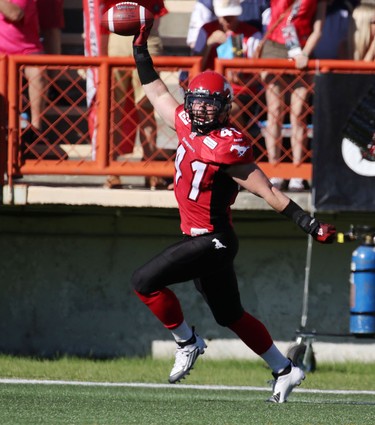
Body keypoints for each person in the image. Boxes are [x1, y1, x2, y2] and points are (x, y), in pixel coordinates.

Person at [130, 19, 337, 402]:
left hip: (215, 240)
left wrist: (309, 224)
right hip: (200, 239)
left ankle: (187, 341)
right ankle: (285, 368)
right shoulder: (185, 125)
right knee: (231, 315)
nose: (203, 108)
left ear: (224, 107)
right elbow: (156, 91)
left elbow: (270, 193)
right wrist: (140, 51)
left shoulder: (229, 148)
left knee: (144, 281)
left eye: (211, 102)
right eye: (198, 101)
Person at [259, 0, 327, 192]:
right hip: (273, 47)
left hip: (302, 49)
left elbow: (318, 28)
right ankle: (275, 169)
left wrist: (305, 53)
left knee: (299, 112)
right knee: (275, 110)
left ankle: (297, 171)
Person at [104, 0, 171, 189]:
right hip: (118, 31)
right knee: (114, 108)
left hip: (147, 30)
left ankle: (150, 169)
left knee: (147, 105)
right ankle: (112, 169)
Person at [192, 0, 262, 131]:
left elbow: (258, 74)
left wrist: (242, 77)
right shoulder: (206, 30)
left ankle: (236, 141)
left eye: (231, 16)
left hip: (240, 92)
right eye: (225, 17)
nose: (228, 21)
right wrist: (208, 45)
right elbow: (195, 65)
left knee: (225, 110)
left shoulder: (252, 34)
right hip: (208, 91)